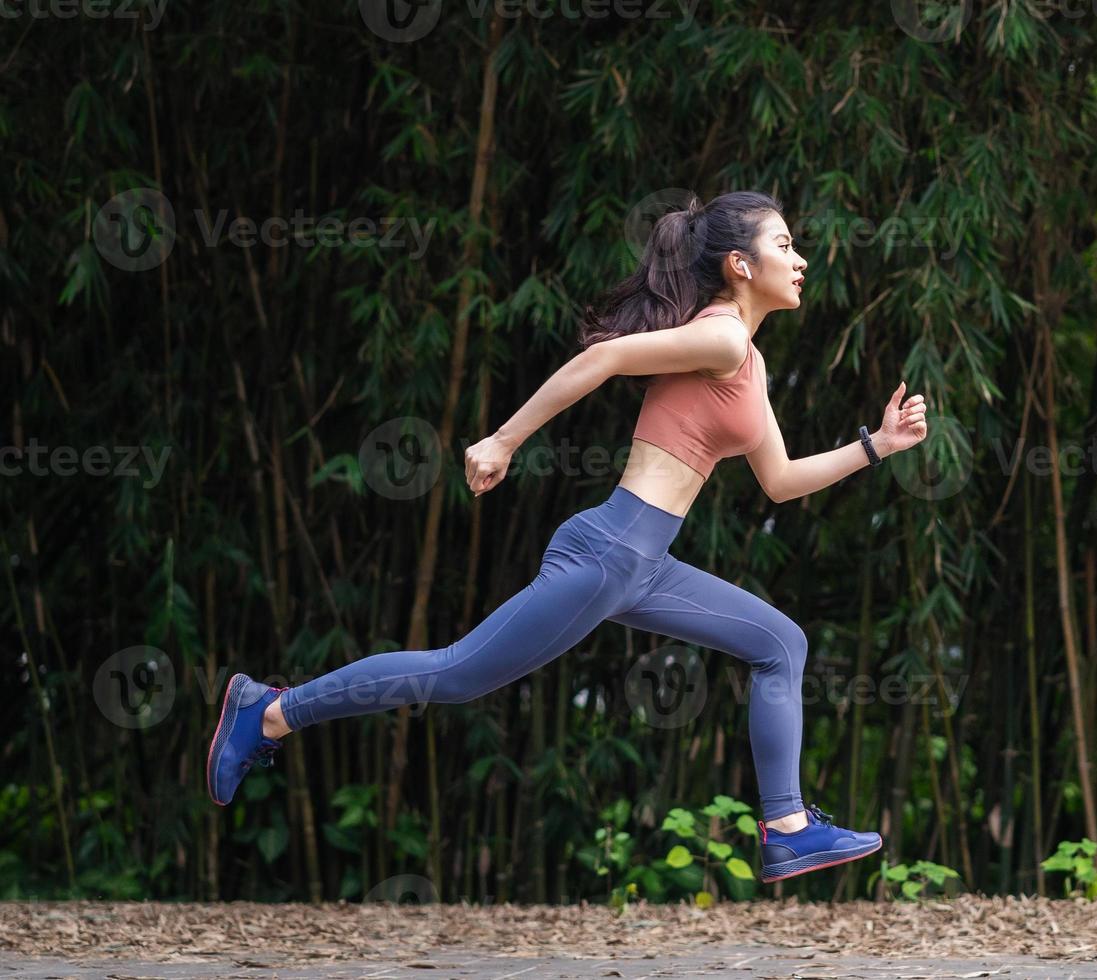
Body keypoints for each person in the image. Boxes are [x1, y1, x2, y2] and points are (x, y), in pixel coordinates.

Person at [206, 190, 930, 884]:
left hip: (644, 564)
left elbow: (780, 479)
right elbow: (604, 358)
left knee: (781, 644)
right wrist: (503, 439)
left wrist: (879, 446)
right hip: (612, 551)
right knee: (455, 674)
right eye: (785, 243)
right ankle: (269, 711)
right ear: (740, 263)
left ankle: (788, 832)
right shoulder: (721, 334)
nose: (800, 258)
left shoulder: (745, 356)